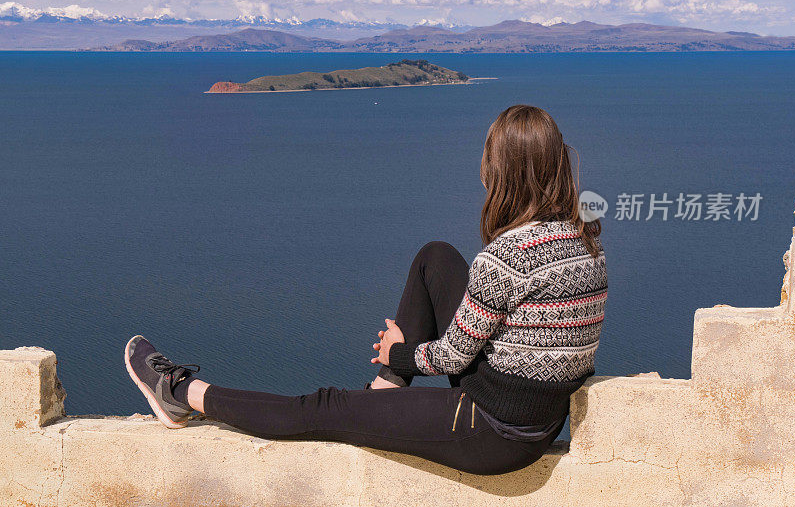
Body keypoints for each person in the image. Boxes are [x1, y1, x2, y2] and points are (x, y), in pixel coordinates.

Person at [124, 104, 607, 476]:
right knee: (435, 257)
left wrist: (399, 354)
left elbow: (451, 360)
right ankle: (381, 395)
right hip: (540, 418)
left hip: (493, 431)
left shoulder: (507, 257)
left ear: (500, 172)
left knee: (324, 408)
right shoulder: (585, 241)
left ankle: (183, 393)